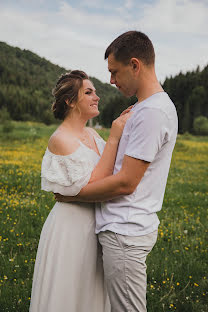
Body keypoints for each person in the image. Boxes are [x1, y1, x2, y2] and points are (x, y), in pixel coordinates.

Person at [55, 31, 178, 312]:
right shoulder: (144, 108)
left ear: (135, 65)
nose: (110, 81)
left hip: (125, 232)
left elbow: (125, 183)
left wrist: (72, 194)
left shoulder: (152, 113)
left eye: (114, 72)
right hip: (122, 229)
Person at [29, 70, 132, 312]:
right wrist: (115, 136)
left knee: (91, 292)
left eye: (95, 92)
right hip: (71, 229)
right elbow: (92, 183)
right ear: (70, 101)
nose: (97, 96)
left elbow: (113, 169)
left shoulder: (92, 133)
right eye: (89, 92)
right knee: (69, 293)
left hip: (97, 224)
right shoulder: (60, 139)